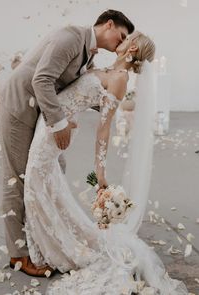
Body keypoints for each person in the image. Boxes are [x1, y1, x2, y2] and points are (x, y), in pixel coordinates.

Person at [24, 31, 188, 294]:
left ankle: (56, 249)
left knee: (36, 182)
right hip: (54, 124)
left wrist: (100, 172)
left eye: (126, 37)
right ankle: (54, 244)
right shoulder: (108, 69)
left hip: (55, 130)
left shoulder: (120, 79)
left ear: (132, 46)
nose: (120, 39)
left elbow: (104, 128)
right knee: (45, 184)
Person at [0, 9, 135, 276]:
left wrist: (114, 102)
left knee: (53, 172)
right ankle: (18, 255)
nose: (122, 41)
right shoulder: (71, 37)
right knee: (18, 177)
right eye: (122, 34)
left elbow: (77, 91)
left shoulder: (89, 55)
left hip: (39, 114)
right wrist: (59, 124)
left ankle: (42, 237)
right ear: (108, 24)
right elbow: (42, 79)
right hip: (18, 106)